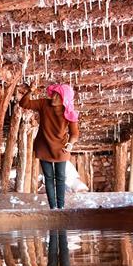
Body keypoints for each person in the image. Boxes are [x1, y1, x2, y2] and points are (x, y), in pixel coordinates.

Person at [19, 82, 80, 210]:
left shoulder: (69, 112)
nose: (53, 97)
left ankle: (61, 207)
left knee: (61, 178)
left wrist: (70, 144)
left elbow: (74, 134)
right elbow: (24, 103)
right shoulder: (44, 103)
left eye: (58, 96)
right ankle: (53, 208)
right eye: (53, 94)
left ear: (64, 99)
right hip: (44, 146)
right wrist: (30, 91)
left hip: (61, 148)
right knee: (48, 178)